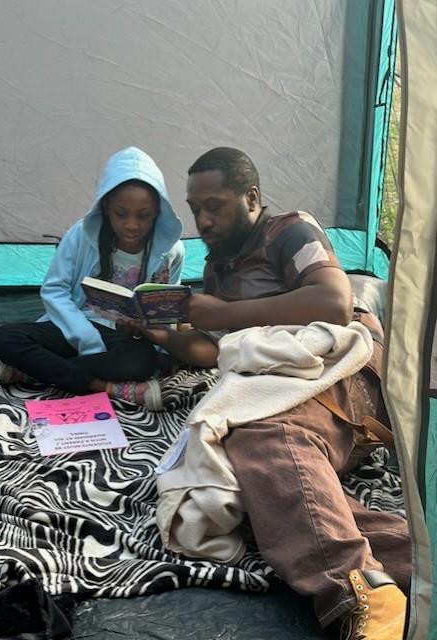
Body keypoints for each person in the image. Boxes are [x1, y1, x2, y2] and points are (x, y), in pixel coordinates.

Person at [136, 147, 410, 639]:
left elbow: (334, 301)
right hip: (281, 381)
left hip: (340, 367)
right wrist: (160, 334)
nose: (204, 221)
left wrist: (221, 313)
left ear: (251, 197)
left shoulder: (290, 231)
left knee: (263, 435)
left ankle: (357, 588)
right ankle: (415, 564)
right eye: (196, 209)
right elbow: (216, 350)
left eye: (214, 206)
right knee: (249, 487)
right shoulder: (219, 267)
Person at [0, 146, 184, 411]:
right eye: (121, 214)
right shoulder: (81, 235)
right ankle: (107, 387)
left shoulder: (171, 251)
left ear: (158, 212)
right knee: (6, 338)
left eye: (143, 216)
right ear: (106, 207)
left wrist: (152, 336)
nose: (132, 225)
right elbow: (54, 290)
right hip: (73, 326)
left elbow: (164, 311)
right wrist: (86, 338)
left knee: (142, 361)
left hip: (123, 340)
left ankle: (31, 371)